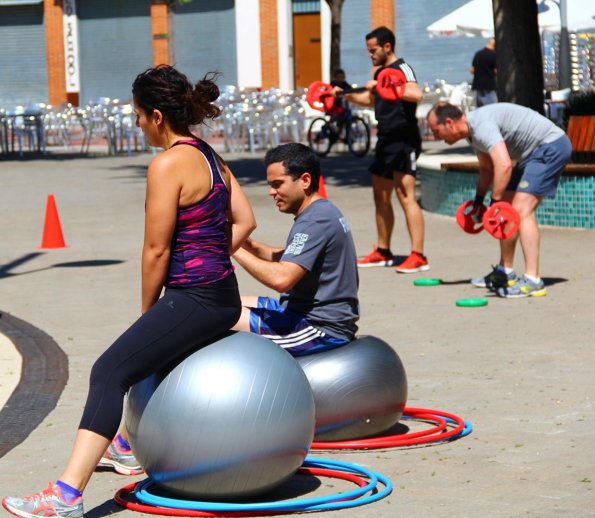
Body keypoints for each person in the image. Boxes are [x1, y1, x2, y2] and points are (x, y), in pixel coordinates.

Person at [2, 64, 256, 517]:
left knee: (108, 371)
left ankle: (65, 497)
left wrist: (148, 313)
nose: (136, 123)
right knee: (148, 363)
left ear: (157, 116)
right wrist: (213, 259)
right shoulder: (210, 157)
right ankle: (121, 446)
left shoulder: (167, 164)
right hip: (222, 295)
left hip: (194, 297)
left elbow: (156, 250)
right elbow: (246, 221)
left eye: (137, 114)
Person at [426, 101, 571, 298]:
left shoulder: (481, 126)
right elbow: (487, 169)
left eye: (436, 131)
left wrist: (494, 204)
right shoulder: (472, 134)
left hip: (550, 146)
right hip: (531, 155)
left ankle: (533, 280)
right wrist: (479, 203)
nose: (435, 137)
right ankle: (505, 272)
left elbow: (503, 165)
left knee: (521, 209)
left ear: (449, 123)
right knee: (507, 210)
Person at [232, 142, 359, 356]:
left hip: (320, 328)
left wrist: (231, 247)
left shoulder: (315, 221)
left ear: (305, 180)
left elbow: (281, 280)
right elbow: (289, 257)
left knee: (218, 314)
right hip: (303, 311)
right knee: (224, 302)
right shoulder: (321, 211)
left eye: (277, 184)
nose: (271, 192)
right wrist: (248, 244)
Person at [340, 26, 429, 273]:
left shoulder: (402, 68)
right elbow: (372, 101)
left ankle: (418, 255)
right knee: (380, 195)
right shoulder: (380, 73)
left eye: (373, 50)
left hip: (404, 138)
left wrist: (381, 85)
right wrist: (346, 95)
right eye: (368, 50)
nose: (370, 54)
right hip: (385, 139)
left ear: (387, 46)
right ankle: (383, 251)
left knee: (405, 195)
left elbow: (416, 94)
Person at [470, 38, 497, 107]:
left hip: (477, 85)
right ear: (494, 45)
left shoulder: (478, 54)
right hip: (490, 85)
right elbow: (496, 70)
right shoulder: (494, 55)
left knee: (480, 108)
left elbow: (472, 70)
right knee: (492, 107)